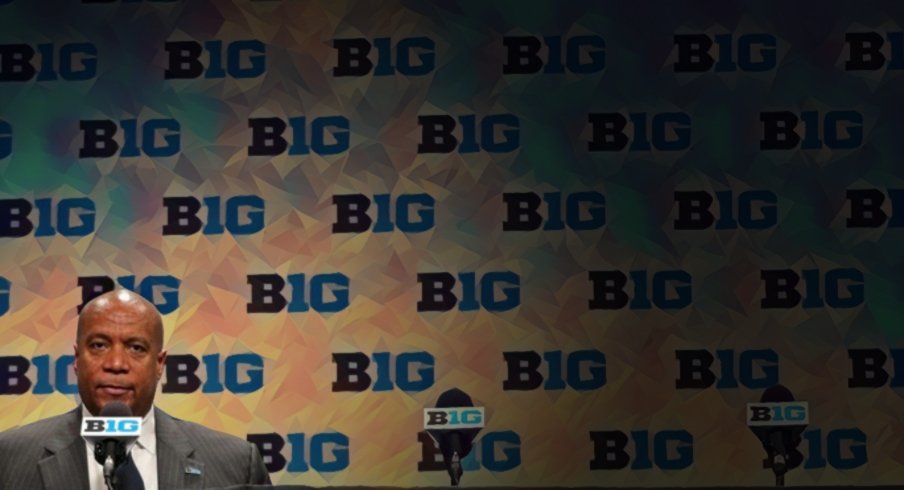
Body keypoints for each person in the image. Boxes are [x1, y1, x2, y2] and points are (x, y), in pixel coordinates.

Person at [0, 289, 271, 489]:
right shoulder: (10, 458)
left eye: (136, 348)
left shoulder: (236, 464)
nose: (116, 364)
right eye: (98, 345)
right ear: (76, 359)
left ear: (159, 364)